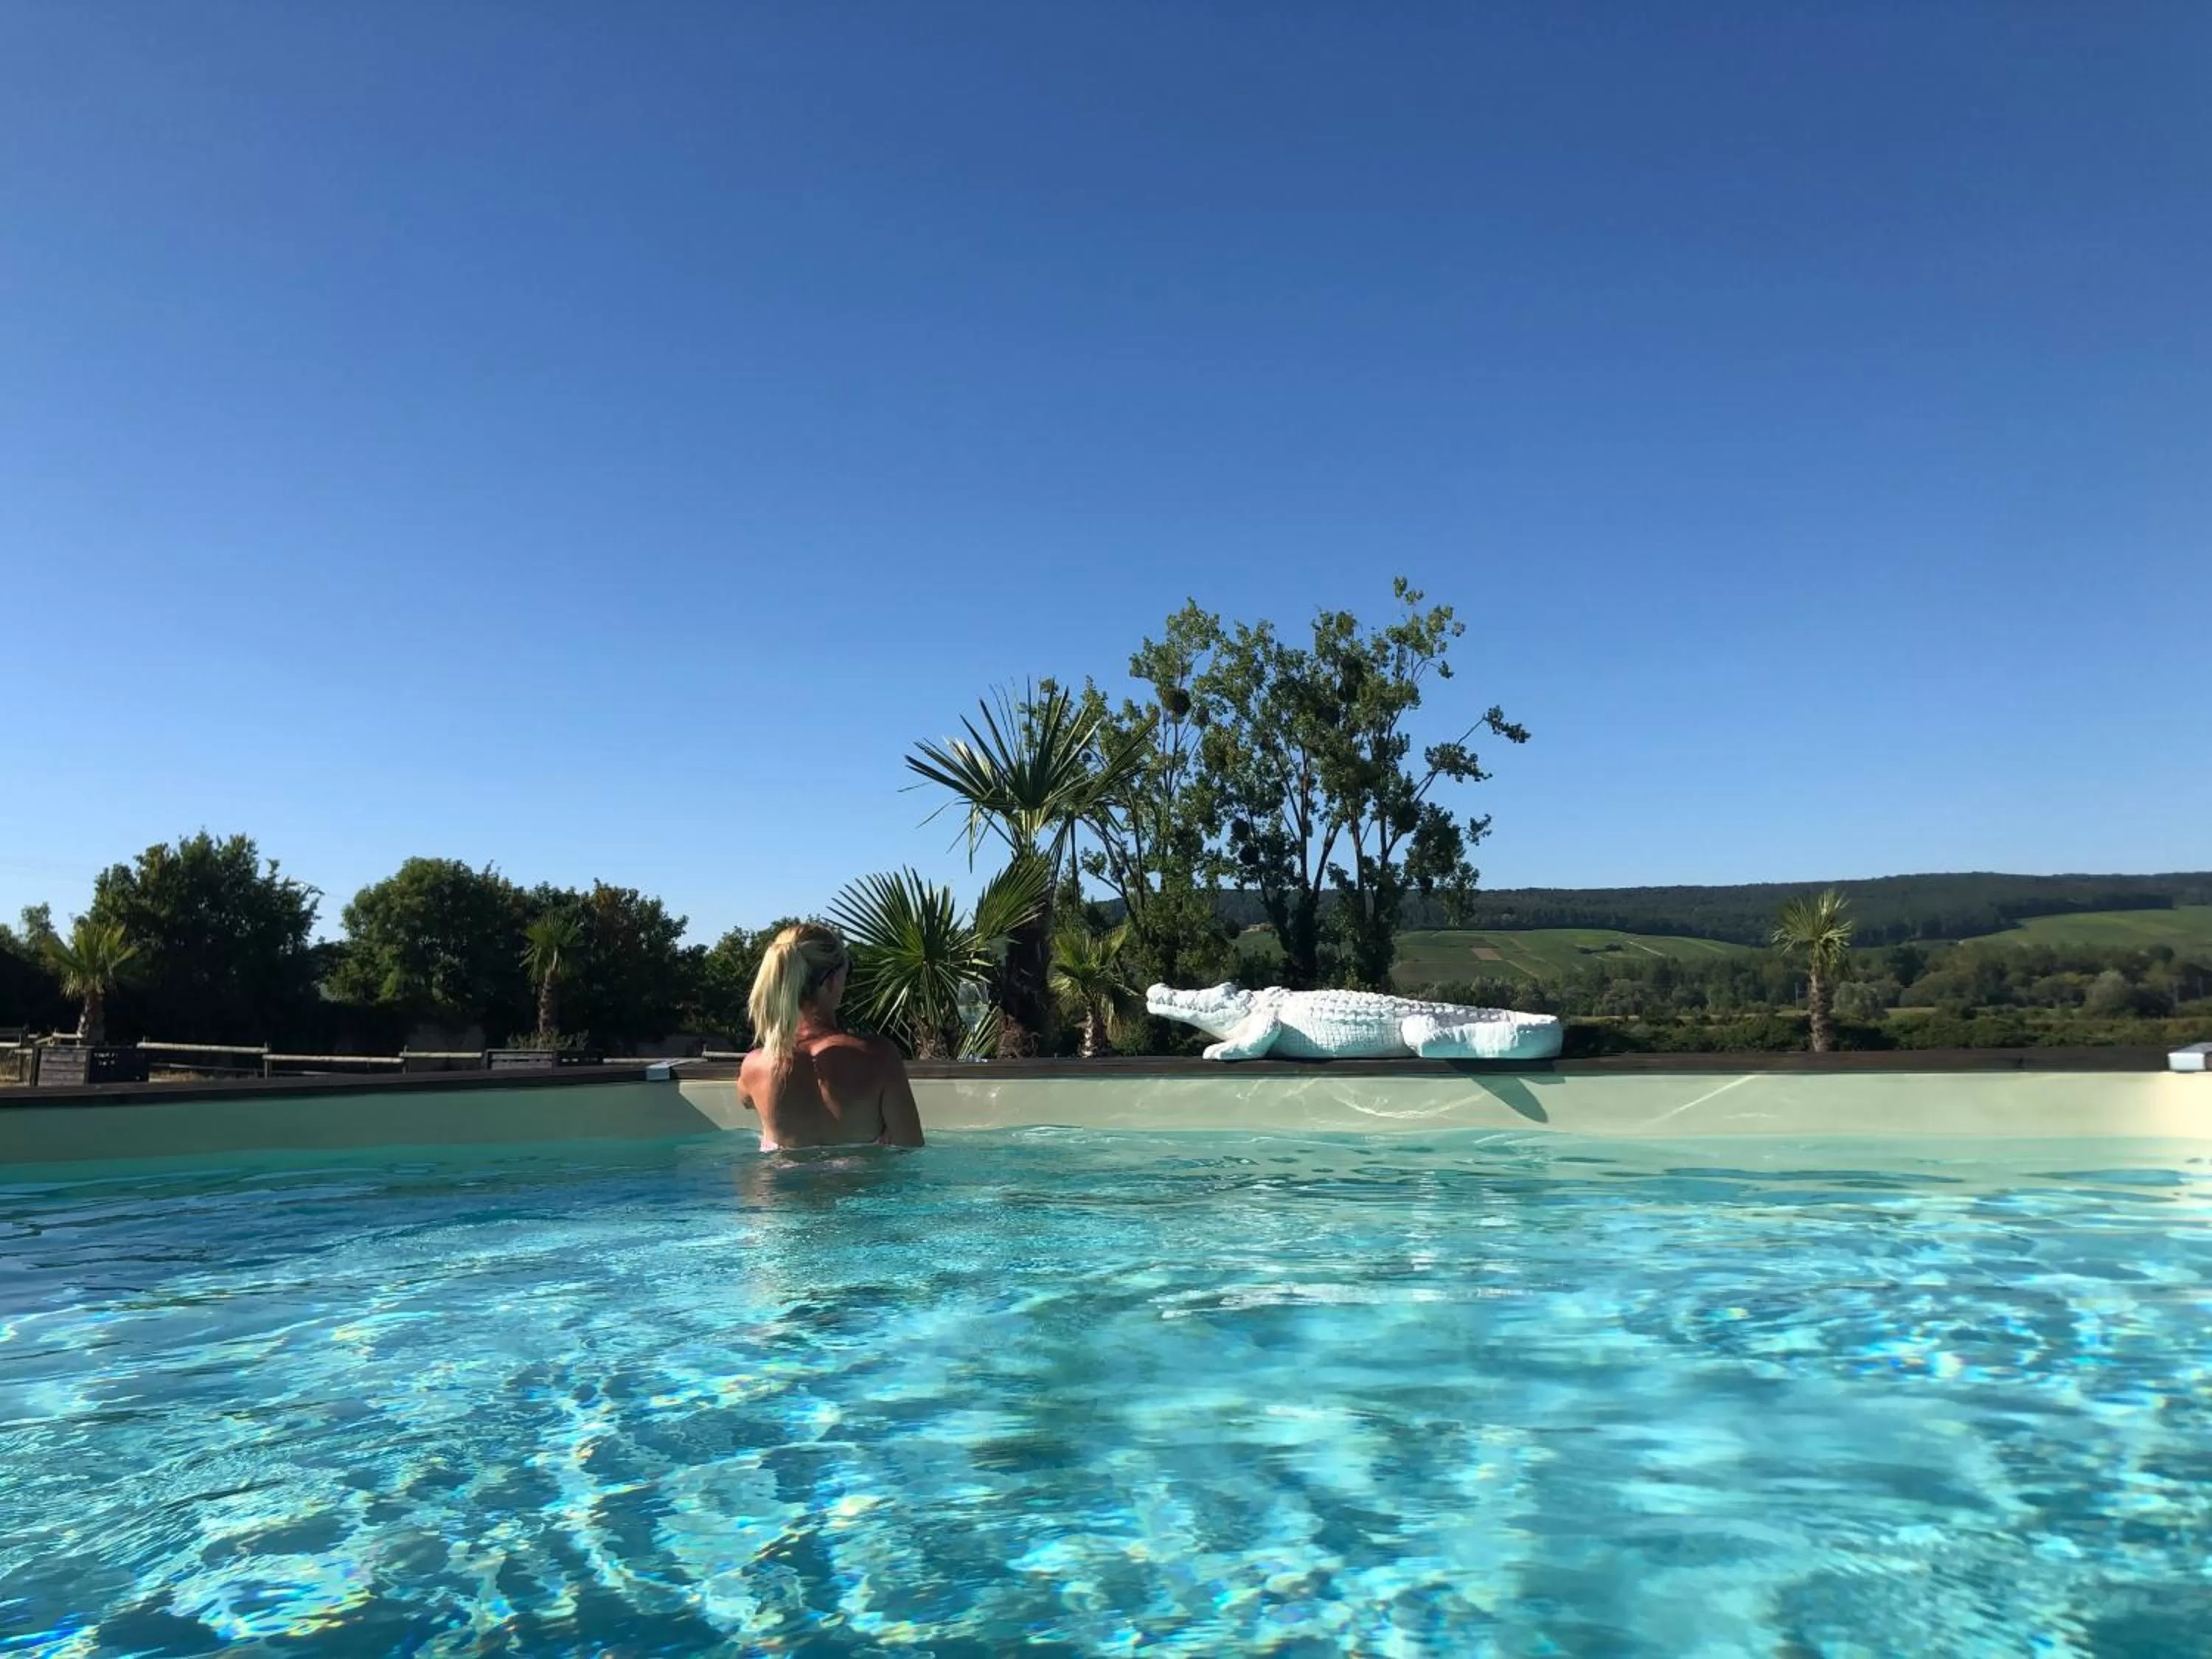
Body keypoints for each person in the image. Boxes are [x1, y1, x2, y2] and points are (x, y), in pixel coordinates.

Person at [739, 922, 924, 1151]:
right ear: (830, 981)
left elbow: (746, 1100)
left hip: (781, 1185)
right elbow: (912, 1147)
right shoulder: (879, 1057)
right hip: (858, 1186)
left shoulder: (754, 1066)